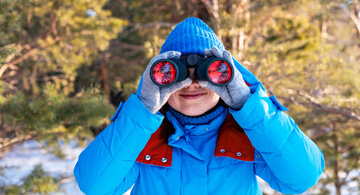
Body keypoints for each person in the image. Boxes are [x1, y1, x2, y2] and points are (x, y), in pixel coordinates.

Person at [74, 17, 325, 195]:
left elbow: (302, 177)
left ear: (230, 76)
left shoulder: (246, 133)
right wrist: (143, 107)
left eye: (209, 72)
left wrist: (248, 103)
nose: (192, 84)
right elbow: (94, 185)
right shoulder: (143, 137)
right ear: (158, 82)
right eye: (175, 75)